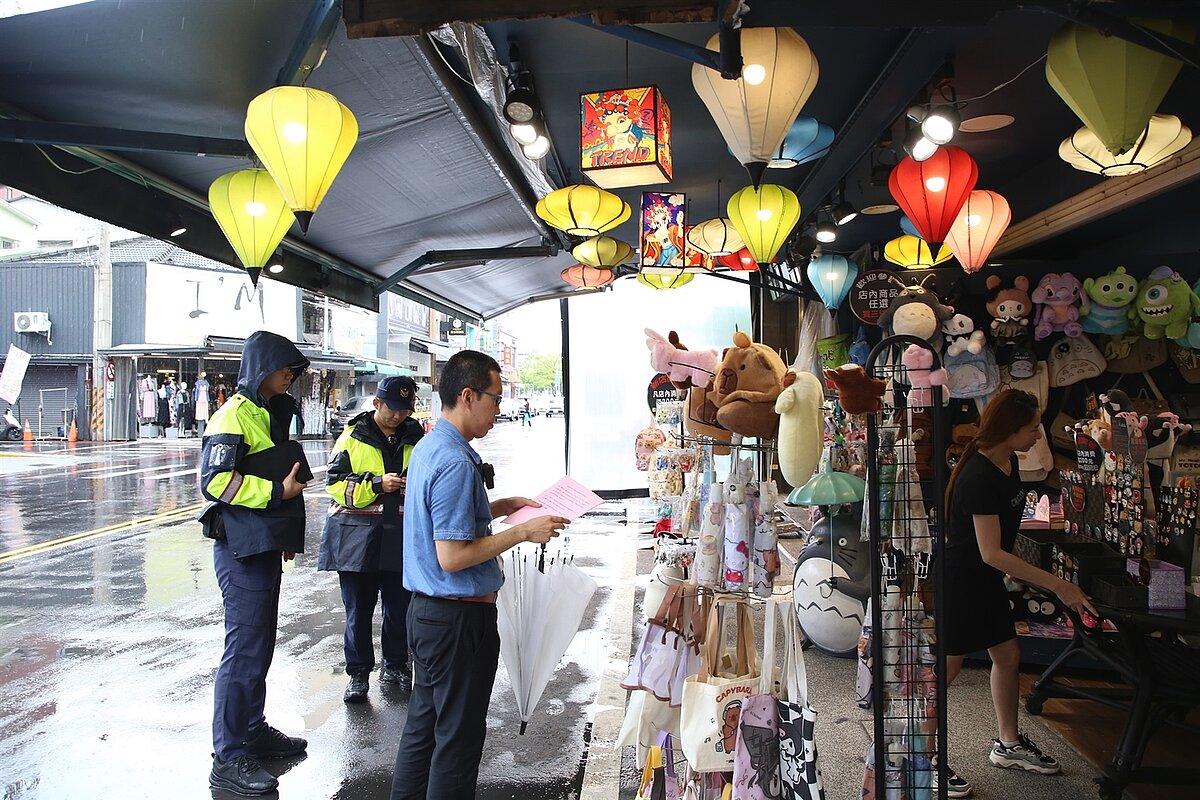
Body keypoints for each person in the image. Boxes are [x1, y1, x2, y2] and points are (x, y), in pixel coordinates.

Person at [391, 350, 569, 800]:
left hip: (429, 615)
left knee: (424, 731)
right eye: (494, 398)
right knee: (457, 743)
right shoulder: (454, 461)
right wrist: (524, 532)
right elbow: (452, 555)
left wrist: (497, 508)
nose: (499, 410)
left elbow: (440, 522)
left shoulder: (434, 446)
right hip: (456, 622)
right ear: (467, 396)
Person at [939, 389, 1097, 798]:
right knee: (948, 669)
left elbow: (997, 549)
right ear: (1010, 429)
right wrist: (1058, 584)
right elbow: (991, 553)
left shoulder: (1008, 461)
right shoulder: (977, 476)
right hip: (961, 579)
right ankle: (923, 755)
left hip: (985, 578)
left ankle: (1008, 744)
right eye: (1031, 428)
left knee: (1008, 656)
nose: (1037, 436)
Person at [198, 330, 311, 796]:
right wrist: (277, 494)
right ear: (263, 366)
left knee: (259, 646)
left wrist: (279, 530)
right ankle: (229, 758)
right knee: (244, 651)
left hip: (259, 547)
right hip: (239, 551)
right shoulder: (233, 415)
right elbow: (216, 483)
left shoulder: (265, 413)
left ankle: (252, 731)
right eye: (287, 367)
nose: (292, 375)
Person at [320, 376, 425, 702]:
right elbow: (335, 485)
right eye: (392, 409)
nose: (398, 417)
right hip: (356, 541)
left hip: (401, 539)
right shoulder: (353, 437)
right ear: (377, 404)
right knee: (358, 612)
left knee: (399, 609)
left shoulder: (416, 438)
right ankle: (358, 673)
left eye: (404, 411)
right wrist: (378, 485)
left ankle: (396, 665)